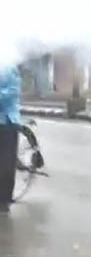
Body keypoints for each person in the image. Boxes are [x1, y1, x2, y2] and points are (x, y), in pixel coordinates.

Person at [0, 65, 21, 215]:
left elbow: (13, 91)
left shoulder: (8, 67)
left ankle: (4, 200)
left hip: (7, 121)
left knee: (6, 163)